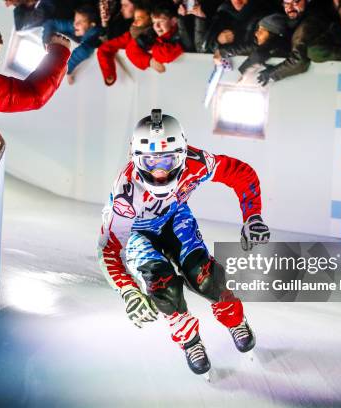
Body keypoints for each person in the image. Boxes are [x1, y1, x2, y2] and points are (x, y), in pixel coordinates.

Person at [97, 109, 270, 375]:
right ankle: (189, 338)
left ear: (182, 153)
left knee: (205, 277)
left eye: (168, 160)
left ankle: (232, 318)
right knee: (162, 286)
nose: (159, 172)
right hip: (137, 232)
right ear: (135, 159)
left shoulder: (196, 161)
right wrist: (129, 290)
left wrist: (252, 216)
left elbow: (240, 173)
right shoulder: (125, 194)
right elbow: (109, 249)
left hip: (175, 217)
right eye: (150, 162)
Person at [256, 0, 329, 87]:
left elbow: (299, 62)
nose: (290, 8)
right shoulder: (294, 21)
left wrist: (272, 73)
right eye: (286, 3)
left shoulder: (309, 23)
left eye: (295, 2)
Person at [43, 4, 103, 85]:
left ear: (91, 25)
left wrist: (68, 71)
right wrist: (46, 40)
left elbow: (80, 53)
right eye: (75, 20)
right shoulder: (74, 26)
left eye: (80, 22)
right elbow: (50, 23)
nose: (75, 24)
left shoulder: (91, 42)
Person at [213, 13, 290, 75]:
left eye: (262, 31)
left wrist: (244, 73)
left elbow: (258, 53)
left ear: (273, 35)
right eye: (258, 29)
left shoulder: (281, 47)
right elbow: (250, 47)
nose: (257, 33)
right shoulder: (259, 39)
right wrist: (222, 51)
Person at [96, 3, 154, 85]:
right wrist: (109, 73)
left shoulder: (154, 34)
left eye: (140, 18)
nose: (136, 21)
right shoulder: (129, 34)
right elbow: (105, 48)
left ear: (149, 19)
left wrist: (150, 61)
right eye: (135, 18)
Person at [125, 3, 185, 75]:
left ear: (173, 21)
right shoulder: (153, 33)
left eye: (161, 21)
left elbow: (165, 55)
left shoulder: (180, 35)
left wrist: (153, 50)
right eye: (154, 22)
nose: (157, 26)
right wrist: (149, 61)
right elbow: (131, 48)